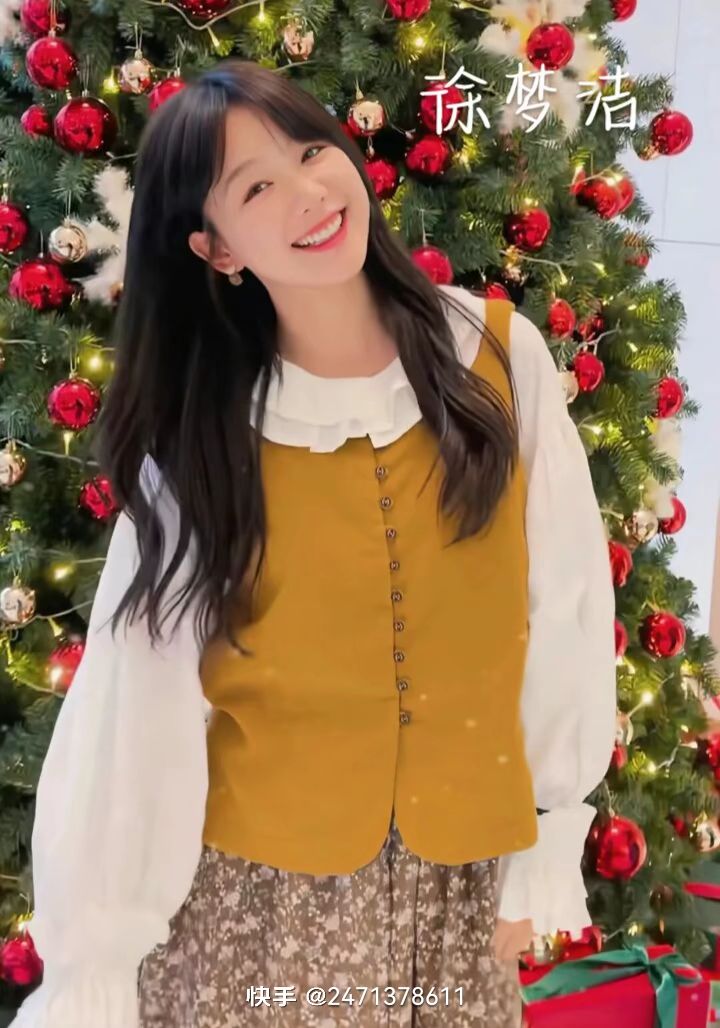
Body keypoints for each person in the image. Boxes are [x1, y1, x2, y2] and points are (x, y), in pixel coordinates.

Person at [9, 58, 617, 1028]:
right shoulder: (205, 435)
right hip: (258, 908)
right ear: (215, 247)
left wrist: (548, 830)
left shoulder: (500, 358)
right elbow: (138, 703)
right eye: (255, 188)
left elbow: (566, 599)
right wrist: (99, 949)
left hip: (460, 893)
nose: (308, 193)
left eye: (309, 151)